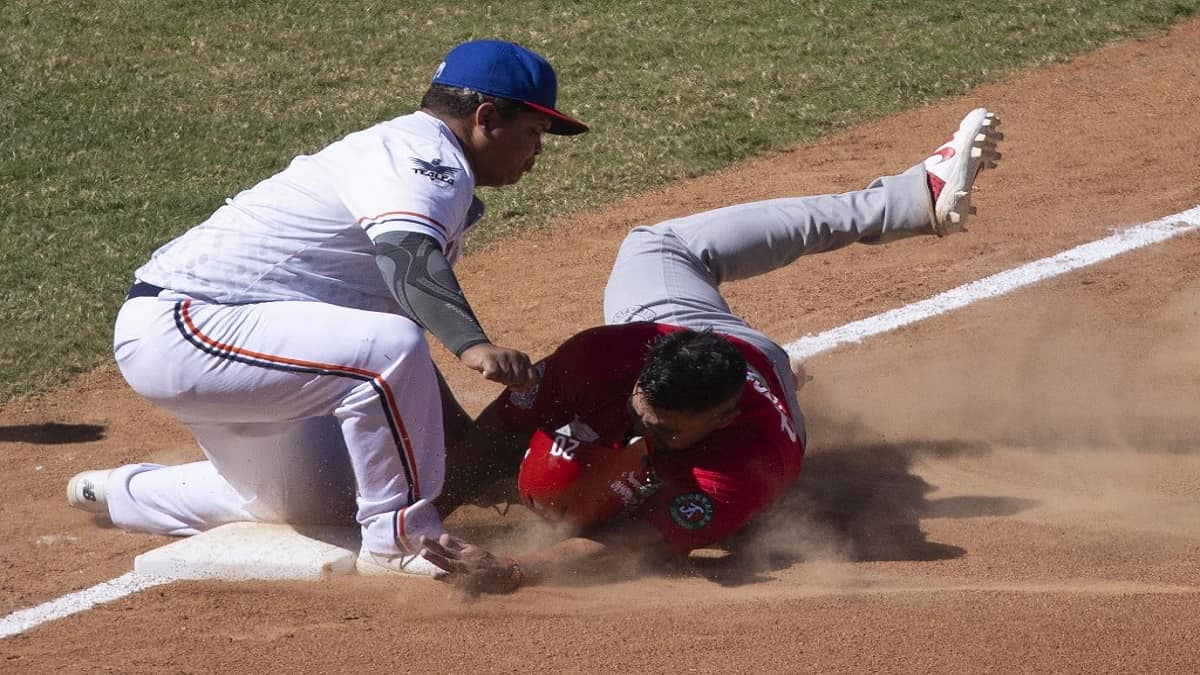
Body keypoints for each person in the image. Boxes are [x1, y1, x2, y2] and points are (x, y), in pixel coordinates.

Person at [421, 108, 1003, 594]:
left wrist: (515, 570)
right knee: (657, 243)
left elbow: (633, 547)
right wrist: (420, 514)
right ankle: (908, 200)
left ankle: (902, 212)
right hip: (686, 329)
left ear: (721, 419)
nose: (642, 434)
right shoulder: (609, 353)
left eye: (667, 431)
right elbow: (494, 436)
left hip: (758, 373)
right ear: (641, 375)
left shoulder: (751, 460)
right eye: (640, 415)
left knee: (721, 518)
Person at [65, 39, 589, 576]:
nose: (538, 150)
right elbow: (408, 259)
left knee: (327, 497)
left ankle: (118, 492)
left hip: (232, 338)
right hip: (189, 326)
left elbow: (383, 337)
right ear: (487, 118)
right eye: (534, 131)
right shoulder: (425, 159)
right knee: (390, 350)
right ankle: (400, 543)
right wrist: (472, 343)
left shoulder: (410, 159)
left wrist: (465, 451)